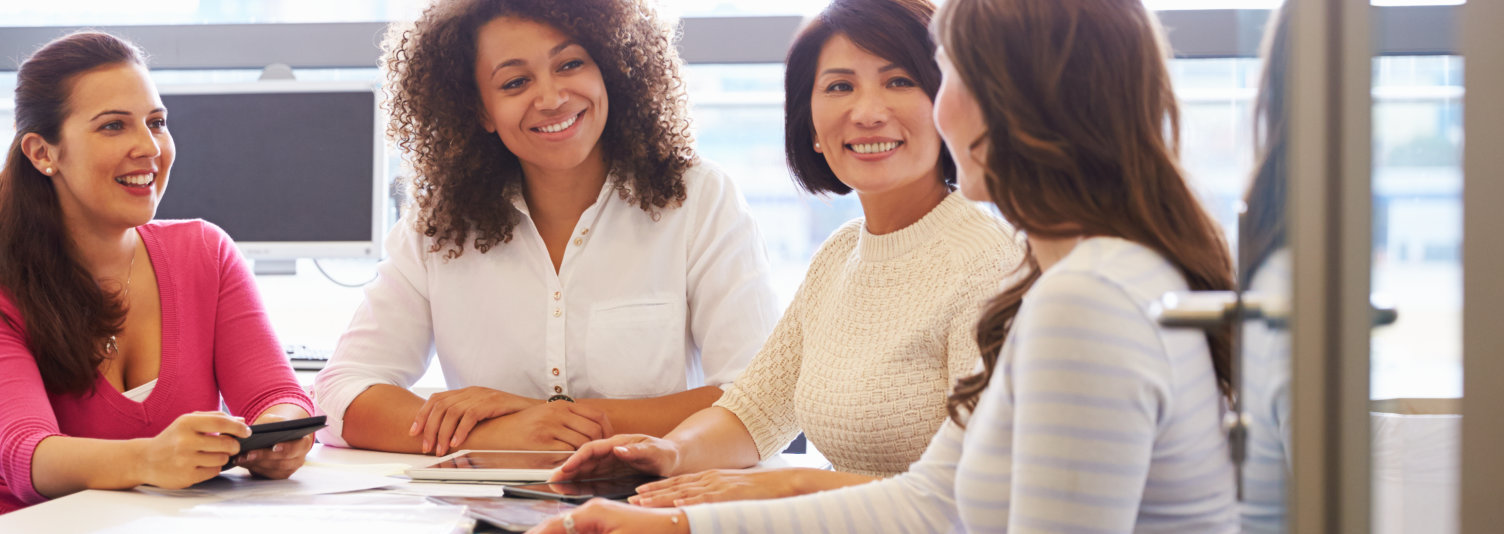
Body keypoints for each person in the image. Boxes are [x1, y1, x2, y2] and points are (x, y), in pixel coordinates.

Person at [531, 0, 1241, 531]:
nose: (891, 109)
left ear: (1014, 103)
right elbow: (933, 498)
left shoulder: (1083, 298)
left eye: (939, 75)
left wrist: (759, 496)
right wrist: (676, 523)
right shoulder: (1070, 282)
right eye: (838, 88)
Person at [547, 0, 1021, 507]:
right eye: (839, 87)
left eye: (899, 81)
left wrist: (793, 484)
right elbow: (753, 412)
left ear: (950, 102)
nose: (867, 112)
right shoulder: (841, 255)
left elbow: (980, 490)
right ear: (812, 127)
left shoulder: (988, 264)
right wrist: (667, 452)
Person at [311, 0, 781, 456]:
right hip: (486, 508)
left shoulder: (697, 198)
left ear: (610, 69)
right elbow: (340, 394)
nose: (552, 98)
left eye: (570, 64)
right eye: (515, 82)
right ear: (481, 112)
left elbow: (758, 399)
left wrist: (549, 418)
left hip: (654, 504)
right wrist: (498, 435)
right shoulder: (440, 225)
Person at [0, 32, 316, 533]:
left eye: (157, 123)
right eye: (112, 126)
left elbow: (274, 395)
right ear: (43, 152)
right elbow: (27, 458)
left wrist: (279, 436)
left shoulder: (206, 253)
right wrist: (150, 460)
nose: (148, 148)